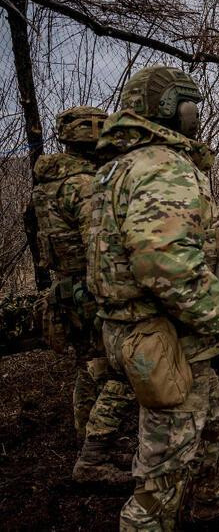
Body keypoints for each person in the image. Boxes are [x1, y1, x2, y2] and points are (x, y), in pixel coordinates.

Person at [87, 65, 219, 529]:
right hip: (163, 333)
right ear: (173, 108)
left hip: (128, 328)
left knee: (208, 413)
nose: (197, 115)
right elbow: (162, 260)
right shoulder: (163, 166)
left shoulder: (115, 168)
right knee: (166, 461)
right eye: (192, 105)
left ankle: (215, 496)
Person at [31, 106, 133, 484]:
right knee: (118, 367)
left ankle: (89, 439)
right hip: (92, 288)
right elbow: (101, 244)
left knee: (88, 366)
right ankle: (94, 456)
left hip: (65, 288)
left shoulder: (45, 185)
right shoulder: (86, 185)